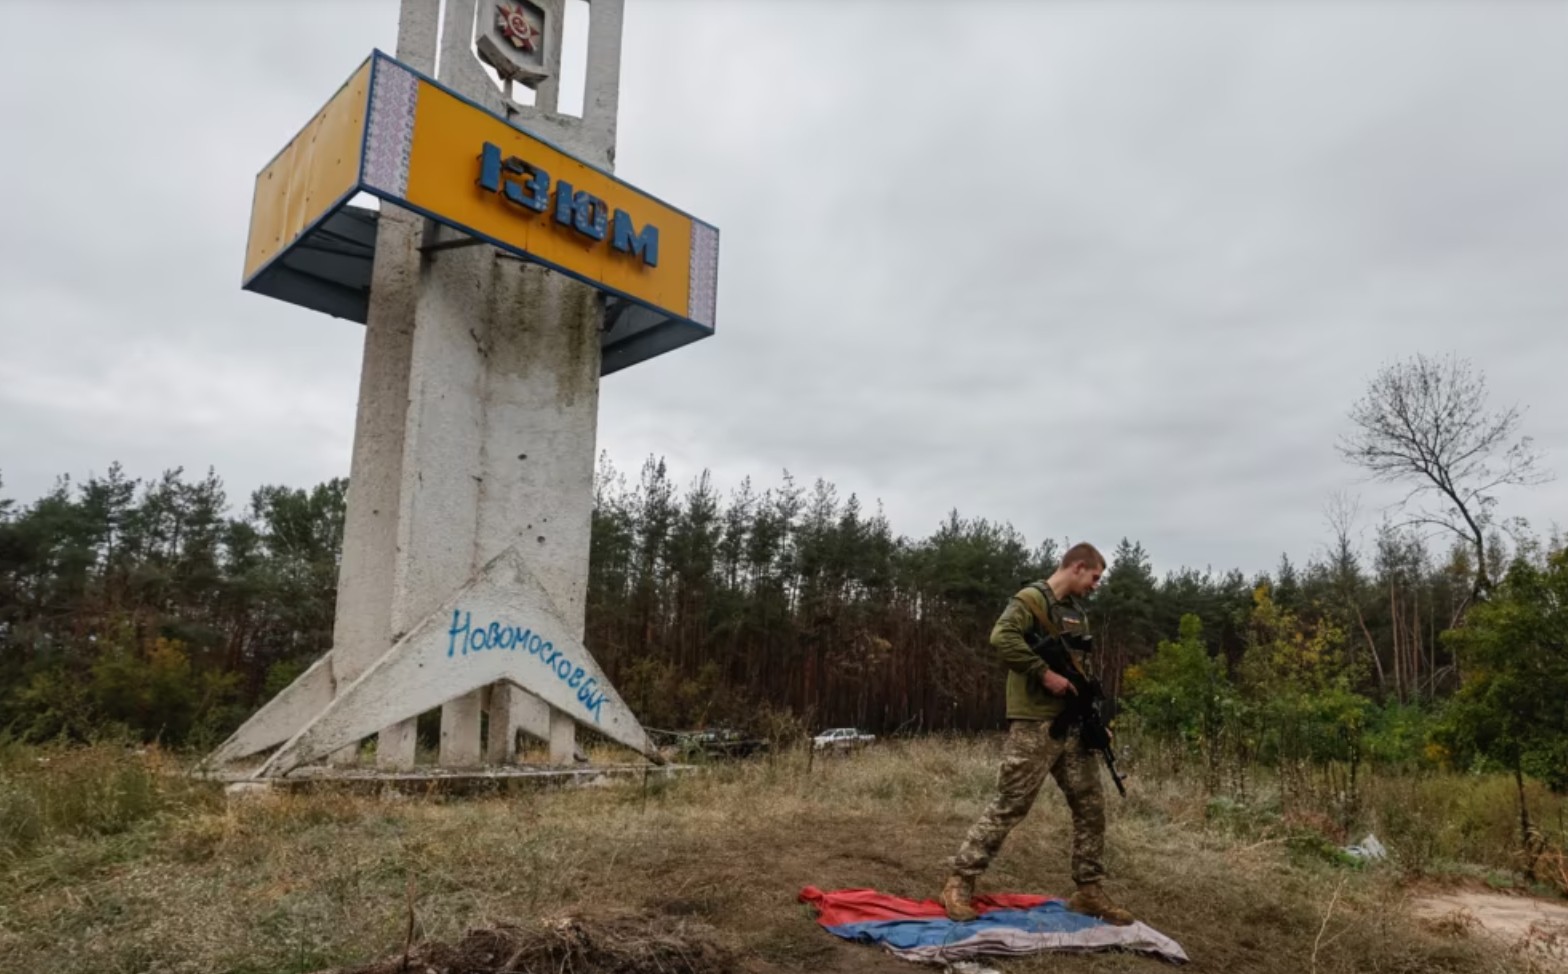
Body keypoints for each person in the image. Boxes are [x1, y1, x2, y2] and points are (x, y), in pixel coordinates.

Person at [938, 541, 1134, 926]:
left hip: (1073, 725)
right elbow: (1002, 638)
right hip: (1034, 723)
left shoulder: (1076, 614)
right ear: (1077, 567)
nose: (1096, 585)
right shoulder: (1030, 601)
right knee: (1011, 804)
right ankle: (959, 881)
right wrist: (1044, 674)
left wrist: (1096, 719)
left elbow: (1079, 671)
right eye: (1094, 577)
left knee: (1091, 808)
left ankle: (1089, 891)